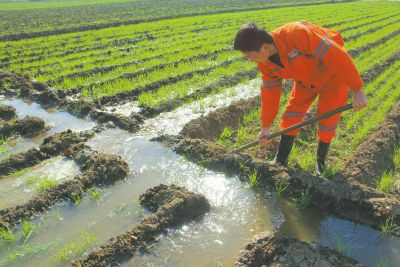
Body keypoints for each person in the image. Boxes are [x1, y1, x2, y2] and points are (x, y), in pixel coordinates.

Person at [233, 21, 368, 175]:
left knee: (327, 122)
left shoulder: (297, 34)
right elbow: (270, 94)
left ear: (264, 48)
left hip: (333, 79)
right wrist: (266, 126)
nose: (250, 60)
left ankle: (320, 162)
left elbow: (337, 56)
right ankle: (280, 159)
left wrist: (358, 90)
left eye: (250, 56)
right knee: (291, 115)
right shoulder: (265, 63)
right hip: (306, 82)